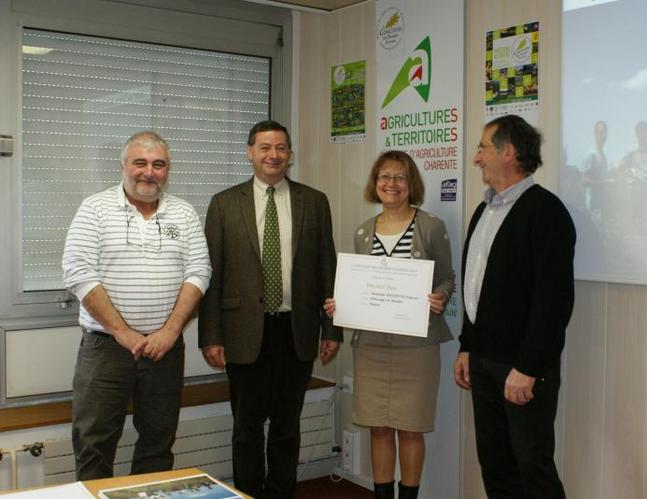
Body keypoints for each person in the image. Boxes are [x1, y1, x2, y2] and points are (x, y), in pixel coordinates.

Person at [198, 120, 342, 499]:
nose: (273, 155)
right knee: (246, 428)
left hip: (297, 330)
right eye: (264, 147)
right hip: (243, 332)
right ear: (250, 152)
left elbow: (328, 268)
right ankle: (247, 494)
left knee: (286, 426)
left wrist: (332, 329)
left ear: (290, 154)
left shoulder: (314, 201)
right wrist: (210, 335)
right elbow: (211, 274)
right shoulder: (224, 203)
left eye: (280, 147)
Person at [62, 131, 212, 480]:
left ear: (168, 169)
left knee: (158, 444)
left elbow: (199, 271)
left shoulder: (184, 213)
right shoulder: (95, 209)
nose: (149, 172)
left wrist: (170, 331)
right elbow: (78, 272)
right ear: (123, 166)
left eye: (158, 164)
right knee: (94, 443)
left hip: (165, 350)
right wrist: (124, 333)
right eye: (140, 163)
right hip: (105, 348)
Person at [453, 115, 575, 499]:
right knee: (496, 464)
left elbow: (554, 302)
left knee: (532, 466)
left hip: (521, 367)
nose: (476, 158)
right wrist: (467, 346)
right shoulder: (484, 211)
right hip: (484, 362)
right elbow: (476, 287)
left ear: (508, 152)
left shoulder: (546, 212)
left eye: (482, 148)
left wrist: (528, 367)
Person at [324, 150, 454, 499]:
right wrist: (343, 304)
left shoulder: (430, 226)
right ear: (375, 183)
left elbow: (446, 278)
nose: (391, 184)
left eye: (399, 177)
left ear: (411, 183)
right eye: (384, 177)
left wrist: (440, 298)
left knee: (410, 429)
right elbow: (360, 287)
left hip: (416, 346)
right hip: (372, 346)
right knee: (379, 428)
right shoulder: (364, 232)